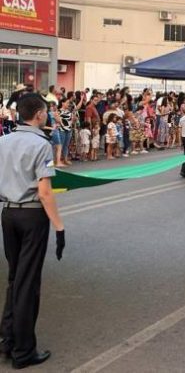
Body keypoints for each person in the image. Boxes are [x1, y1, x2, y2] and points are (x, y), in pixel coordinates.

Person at [0, 94, 65, 369]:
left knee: (16, 278)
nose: (47, 115)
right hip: (32, 215)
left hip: (8, 214)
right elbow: (45, 191)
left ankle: (7, 340)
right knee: (28, 284)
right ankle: (24, 351)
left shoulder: (3, 141)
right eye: (46, 111)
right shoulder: (42, 144)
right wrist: (59, 227)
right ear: (38, 114)